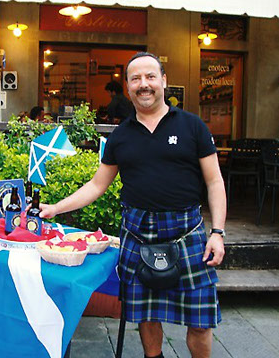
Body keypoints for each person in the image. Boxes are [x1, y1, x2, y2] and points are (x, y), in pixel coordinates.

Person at [40, 52, 226, 358]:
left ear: (164, 81)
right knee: (145, 314)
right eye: (135, 79)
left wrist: (217, 232)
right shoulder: (121, 136)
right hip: (138, 233)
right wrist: (57, 208)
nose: (144, 85)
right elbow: (97, 184)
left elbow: (215, 182)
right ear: (127, 87)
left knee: (201, 321)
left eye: (151, 77)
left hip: (187, 232)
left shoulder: (193, 126)